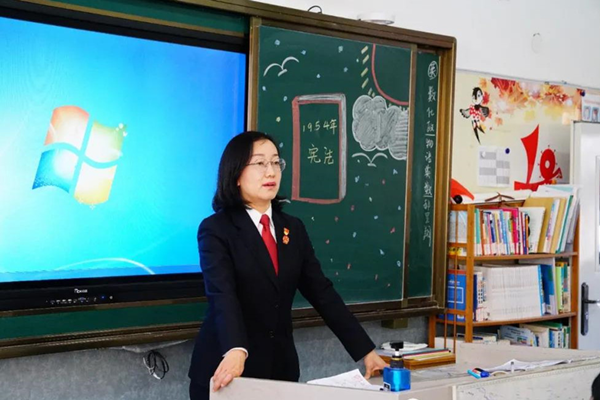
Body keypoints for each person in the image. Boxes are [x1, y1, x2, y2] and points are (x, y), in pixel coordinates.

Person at [188, 131, 387, 400]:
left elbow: (322, 293)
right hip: (227, 370)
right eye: (260, 163)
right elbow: (222, 295)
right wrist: (235, 349)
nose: (270, 171)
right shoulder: (216, 229)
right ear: (236, 174)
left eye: (275, 162)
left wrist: (365, 350)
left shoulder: (292, 228)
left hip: (279, 371)